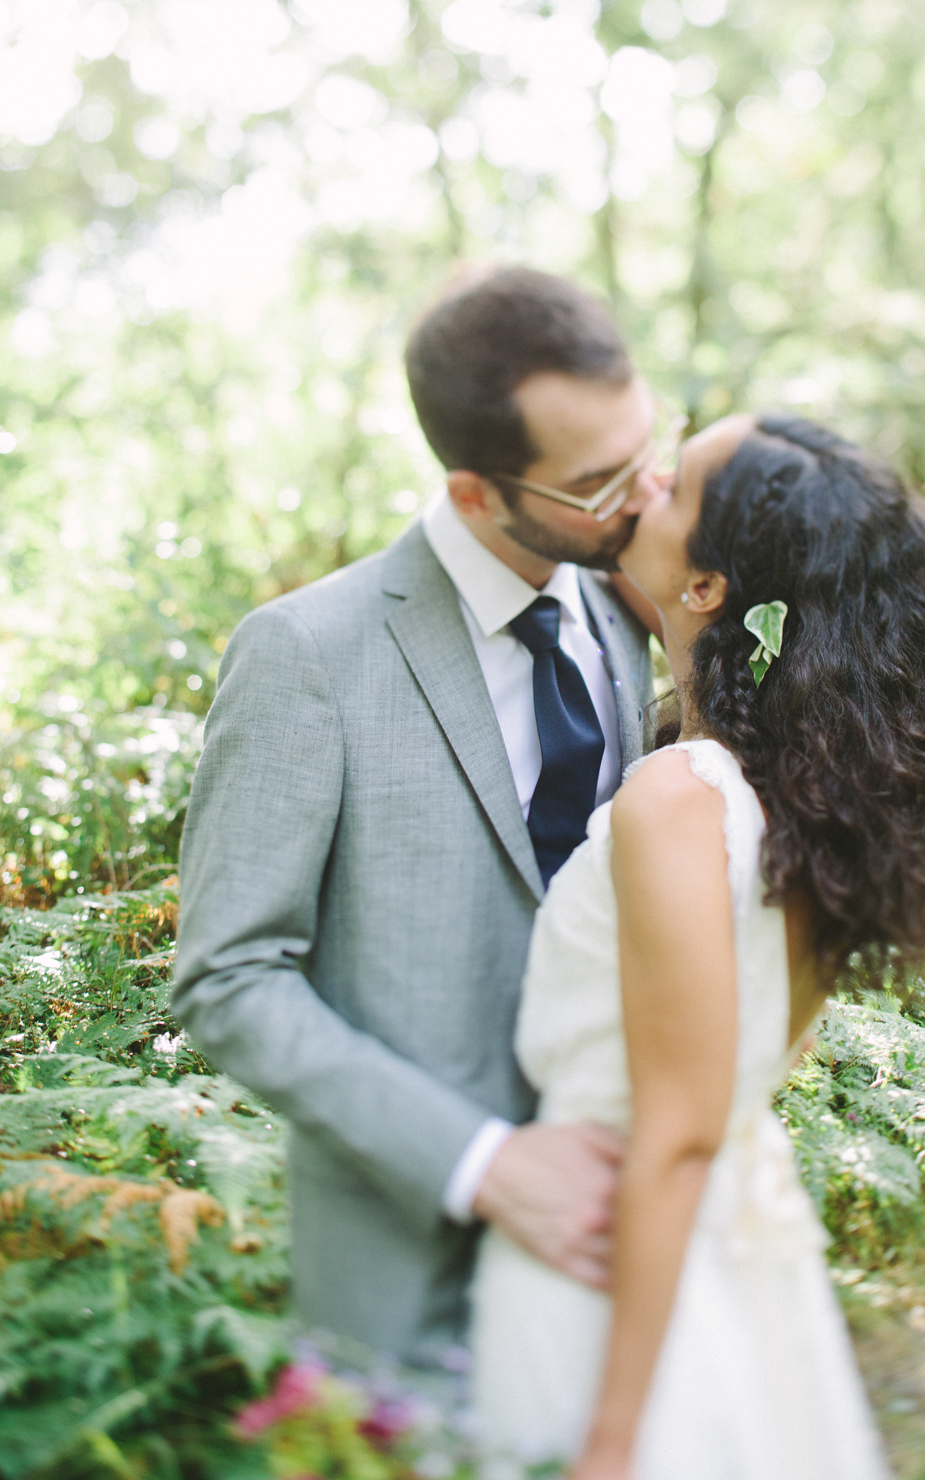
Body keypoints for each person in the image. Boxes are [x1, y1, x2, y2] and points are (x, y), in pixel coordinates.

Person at [471, 412, 925, 1480]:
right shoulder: (806, 812)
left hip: (614, 1274)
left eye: (673, 481)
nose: (642, 476)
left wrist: (610, 1447)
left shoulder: (681, 800)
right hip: (738, 1260)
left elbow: (675, 1141)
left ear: (708, 586)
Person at [170, 266, 660, 1361]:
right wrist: (483, 1163)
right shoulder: (305, 655)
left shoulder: (628, 622)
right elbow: (228, 977)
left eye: (648, 445)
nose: (645, 493)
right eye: (598, 480)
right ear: (476, 492)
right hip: (405, 1278)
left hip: (619, 1250)